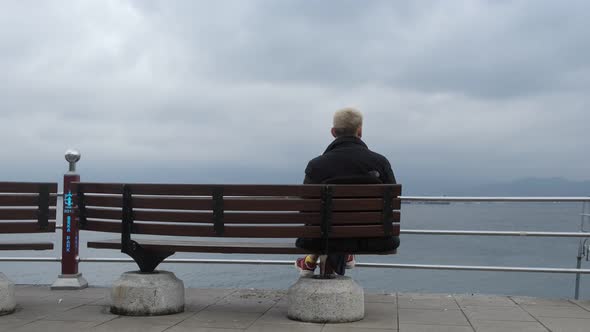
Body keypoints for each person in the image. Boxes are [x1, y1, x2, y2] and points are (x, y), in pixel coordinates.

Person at [295, 107, 398, 277]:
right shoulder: (380, 162)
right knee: (342, 232)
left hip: (322, 238)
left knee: (330, 229)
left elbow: (306, 209)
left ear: (333, 132)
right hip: (375, 240)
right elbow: (392, 202)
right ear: (360, 131)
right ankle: (346, 253)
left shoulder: (317, 165)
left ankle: (312, 260)